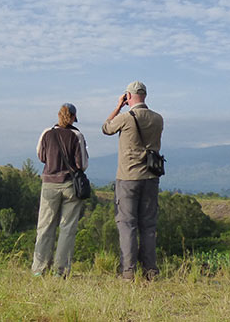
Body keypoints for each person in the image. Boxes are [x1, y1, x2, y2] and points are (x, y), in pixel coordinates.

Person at [102, 81, 164, 281]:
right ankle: (150, 271)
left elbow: (106, 128)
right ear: (145, 95)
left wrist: (118, 106)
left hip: (128, 177)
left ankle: (128, 272)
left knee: (127, 224)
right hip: (151, 177)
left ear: (128, 96)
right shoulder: (158, 119)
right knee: (148, 225)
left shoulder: (126, 118)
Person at [31, 103, 89, 277]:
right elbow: (82, 165)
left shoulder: (47, 133)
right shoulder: (77, 135)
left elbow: (41, 156)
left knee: (45, 226)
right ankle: (60, 270)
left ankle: (39, 269)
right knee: (67, 228)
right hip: (70, 185)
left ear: (59, 115)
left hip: (49, 184)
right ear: (72, 117)